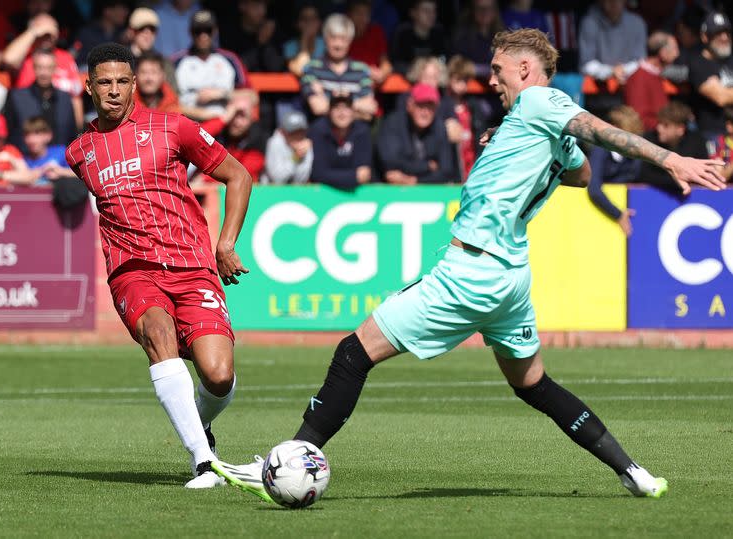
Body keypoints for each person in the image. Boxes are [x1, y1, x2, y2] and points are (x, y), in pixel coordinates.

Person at [211, 28, 725, 502]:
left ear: (525, 69)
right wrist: (515, 146)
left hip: (470, 272)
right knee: (534, 385)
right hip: (510, 277)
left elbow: (596, 131)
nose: (492, 81)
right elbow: (581, 173)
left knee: (353, 353)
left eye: (498, 71)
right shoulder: (537, 124)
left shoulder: (543, 100)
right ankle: (632, 471)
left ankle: (288, 462)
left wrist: (669, 159)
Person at [65, 43, 253, 489]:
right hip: (133, 270)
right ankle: (205, 463)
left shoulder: (173, 127)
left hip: (193, 265)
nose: (114, 91)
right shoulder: (80, 151)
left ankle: (199, 427)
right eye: (104, 83)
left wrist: (225, 244)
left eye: (122, 82)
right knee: (158, 332)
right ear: (89, 87)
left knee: (219, 375)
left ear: (135, 85)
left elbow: (238, 175)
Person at [2, 13, 84, 131]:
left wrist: (79, 132)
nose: (47, 34)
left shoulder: (66, 57)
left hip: (58, 123)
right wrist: (34, 32)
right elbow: (8, 59)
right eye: (43, 30)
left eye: (52, 29)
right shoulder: (25, 56)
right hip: (29, 123)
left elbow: (76, 97)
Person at [300, 14, 377, 121]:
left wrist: (330, 100)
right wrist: (356, 105)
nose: (338, 44)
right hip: (322, 133)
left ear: (350, 41)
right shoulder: (312, 68)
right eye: (333, 38)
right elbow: (318, 108)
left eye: (343, 39)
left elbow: (369, 111)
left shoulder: (362, 70)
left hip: (355, 134)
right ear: (325, 39)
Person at [175, 10, 249, 121]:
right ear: (190, 32)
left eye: (208, 30)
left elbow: (251, 96)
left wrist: (220, 94)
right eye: (198, 31)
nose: (203, 36)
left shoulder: (230, 59)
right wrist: (202, 113)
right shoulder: (177, 62)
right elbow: (168, 104)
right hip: (188, 123)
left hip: (224, 125)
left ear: (215, 31)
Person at [378, 83, 457, 184]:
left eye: (430, 107)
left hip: (427, 191)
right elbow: (390, 163)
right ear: (410, 105)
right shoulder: (393, 123)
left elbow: (446, 170)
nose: (425, 112)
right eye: (420, 106)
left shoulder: (439, 127)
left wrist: (414, 180)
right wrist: (427, 166)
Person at [2, 47, 77, 152]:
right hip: (26, 163)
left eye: (48, 68)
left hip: (59, 163)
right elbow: (7, 135)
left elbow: (72, 135)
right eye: (40, 67)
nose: (44, 73)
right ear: (33, 68)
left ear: (55, 69)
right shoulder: (17, 97)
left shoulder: (65, 98)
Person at [586, 105, 644, 237]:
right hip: (596, 218)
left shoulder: (633, 154)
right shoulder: (599, 150)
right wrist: (618, 214)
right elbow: (594, 190)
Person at [639, 101, 710, 193]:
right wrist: (677, 180)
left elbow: (703, 173)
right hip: (654, 194)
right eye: (659, 123)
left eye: (665, 125)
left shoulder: (697, 142)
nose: (659, 128)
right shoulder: (649, 139)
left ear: (680, 129)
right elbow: (643, 174)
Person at [308, 93, 372, 188]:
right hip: (322, 192)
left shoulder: (362, 131)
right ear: (329, 112)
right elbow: (317, 173)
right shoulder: (318, 130)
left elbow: (364, 173)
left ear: (353, 112)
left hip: (356, 194)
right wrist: (353, 176)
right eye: (336, 108)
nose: (342, 113)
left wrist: (330, 176)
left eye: (346, 108)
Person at [687, 11, 733, 141]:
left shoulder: (730, 60)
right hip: (714, 136)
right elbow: (721, 97)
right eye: (717, 33)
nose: (724, 37)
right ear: (705, 37)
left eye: (727, 32)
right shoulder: (698, 63)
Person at [578, 0, 647, 84]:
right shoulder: (589, 22)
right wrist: (610, 71)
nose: (614, 2)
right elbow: (585, 64)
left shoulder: (637, 22)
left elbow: (640, 61)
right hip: (598, 89)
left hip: (630, 86)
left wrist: (623, 70)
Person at [624, 32, 680, 131]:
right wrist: (668, 128)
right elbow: (640, 117)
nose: (677, 54)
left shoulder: (655, 75)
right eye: (674, 48)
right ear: (662, 52)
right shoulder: (639, 78)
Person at [390, 0, 446, 75]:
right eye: (426, 11)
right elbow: (396, 63)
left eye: (434, 11)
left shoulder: (439, 33)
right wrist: (419, 72)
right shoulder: (403, 34)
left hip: (434, 77)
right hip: (408, 78)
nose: (431, 15)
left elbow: (444, 60)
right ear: (413, 13)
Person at [347, 0, 392, 86]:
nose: (362, 17)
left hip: (372, 84)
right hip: (348, 82)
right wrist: (366, 71)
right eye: (358, 13)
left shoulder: (376, 32)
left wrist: (381, 73)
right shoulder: (343, 34)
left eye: (366, 14)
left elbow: (386, 63)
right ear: (349, 15)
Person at [260, 111, 313, 185]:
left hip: (295, 191)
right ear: (283, 132)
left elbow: (301, 180)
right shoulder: (274, 143)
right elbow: (277, 179)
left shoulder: (306, 144)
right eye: (293, 132)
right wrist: (295, 158)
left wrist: (302, 156)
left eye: (300, 132)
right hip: (272, 190)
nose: (297, 136)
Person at [20, 116, 75, 186]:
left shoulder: (62, 152)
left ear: (48, 135)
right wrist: (41, 172)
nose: (31, 140)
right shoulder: (22, 160)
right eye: (27, 135)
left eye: (37, 133)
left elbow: (84, 173)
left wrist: (61, 172)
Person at [283, 4, 325, 78]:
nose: (309, 23)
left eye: (313, 18)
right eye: (305, 19)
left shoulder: (326, 44)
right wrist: (304, 40)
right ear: (297, 23)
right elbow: (300, 70)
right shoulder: (289, 46)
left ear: (319, 22)